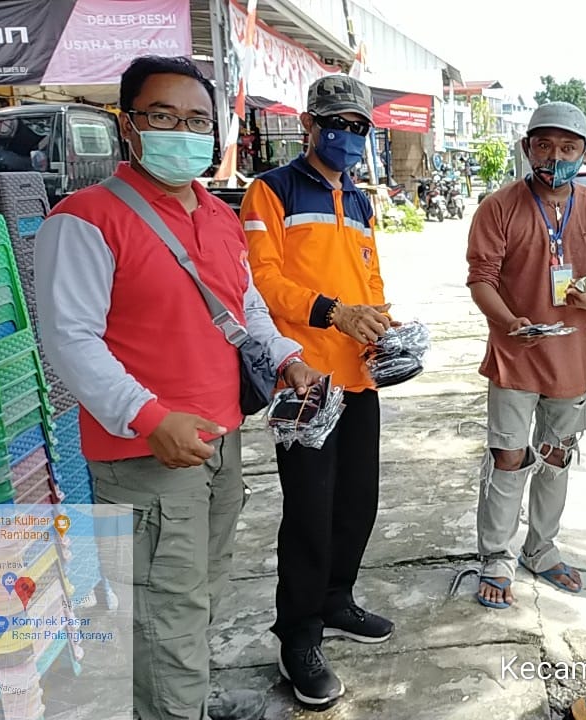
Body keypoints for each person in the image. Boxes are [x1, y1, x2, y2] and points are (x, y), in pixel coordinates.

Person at [34, 55, 324, 720]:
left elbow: (244, 306)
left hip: (217, 443)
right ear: (127, 126)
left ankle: (176, 704)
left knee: (200, 594)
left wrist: (283, 357)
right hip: (145, 457)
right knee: (165, 612)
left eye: (197, 119)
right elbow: (70, 341)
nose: (182, 131)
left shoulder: (219, 218)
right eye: (163, 116)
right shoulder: (86, 219)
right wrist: (146, 416)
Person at [239, 74, 396, 708]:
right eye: (337, 122)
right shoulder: (269, 191)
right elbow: (260, 282)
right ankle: (298, 636)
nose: (348, 134)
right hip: (302, 378)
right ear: (309, 123)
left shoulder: (359, 199)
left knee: (358, 501)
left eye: (359, 125)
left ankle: (337, 601)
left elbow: (371, 275)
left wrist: (383, 322)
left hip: (358, 377)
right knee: (308, 511)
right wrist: (332, 312)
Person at [466, 101, 586, 610]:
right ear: (527, 147)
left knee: (557, 457)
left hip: (570, 359)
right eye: (545, 145)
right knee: (509, 459)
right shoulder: (499, 207)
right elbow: (481, 281)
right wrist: (509, 322)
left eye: (569, 147)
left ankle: (542, 548)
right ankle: (496, 556)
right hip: (514, 358)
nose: (557, 156)